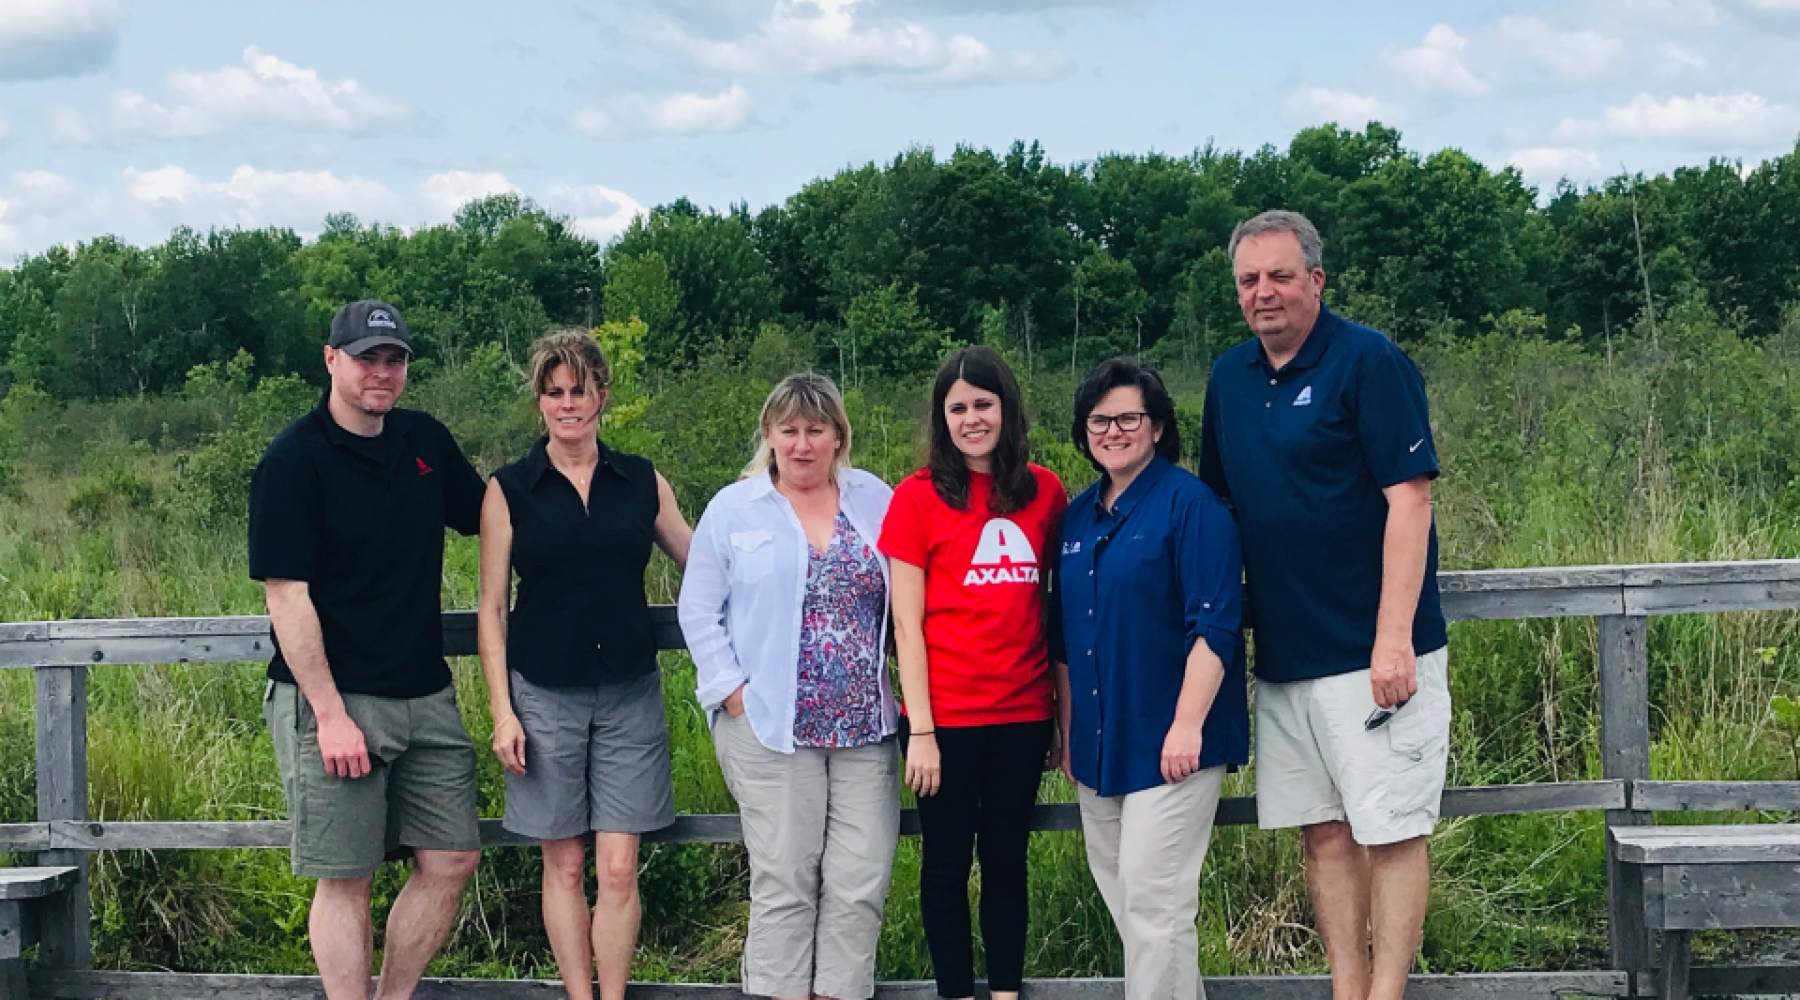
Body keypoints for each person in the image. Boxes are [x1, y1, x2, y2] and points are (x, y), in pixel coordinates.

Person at [1199, 210, 1449, 1000]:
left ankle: (1386, 994)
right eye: (1248, 280)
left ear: (1316, 279)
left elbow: (1410, 501)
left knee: (1392, 831)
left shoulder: (1368, 361)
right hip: (1282, 654)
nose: (1263, 293)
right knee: (1324, 834)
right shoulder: (1228, 380)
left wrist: (1393, 637)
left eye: (1279, 275)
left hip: (1371, 652)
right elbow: (1218, 509)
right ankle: (1346, 989)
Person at [249, 299, 485, 1000]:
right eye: (366, 358)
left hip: (424, 692)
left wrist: (584, 477)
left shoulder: (424, 443)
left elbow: (493, 516)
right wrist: (328, 714)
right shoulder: (294, 461)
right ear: (331, 360)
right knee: (346, 875)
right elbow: (286, 595)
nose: (382, 372)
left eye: (395, 359)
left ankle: (393, 996)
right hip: (336, 698)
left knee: (452, 855)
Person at [476, 330, 693, 1000]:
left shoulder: (640, 481)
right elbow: (490, 610)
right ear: (539, 400)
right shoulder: (510, 489)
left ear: (602, 394)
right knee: (566, 864)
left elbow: (706, 563)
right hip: (543, 694)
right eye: (554, 392)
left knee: (620, 867)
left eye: (580, 390)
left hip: (630, 691)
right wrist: (502, 710)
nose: (568, 404)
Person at [677, 372, 900, 1000]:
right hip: (771, 727)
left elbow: (909, 592)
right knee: (784, 882)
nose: (802, 444)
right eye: (789, 430)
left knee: (860, 879)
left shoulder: (874, 499)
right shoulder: (735, 507)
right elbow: (698, 610)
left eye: (816, 429)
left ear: (838, 436)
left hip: (864, 727)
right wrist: (732, 693)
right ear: (770, 435)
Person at [1054, 357, 1247, 1000]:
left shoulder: (1193, 508)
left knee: (1155, 902)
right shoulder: (1077, 518)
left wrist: (1187, 724)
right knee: (1129, 899)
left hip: (1172, 740)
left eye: (1128, 418)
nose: (1113, 431)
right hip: (1100, 743)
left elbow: (1215, 628)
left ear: (1158, 425)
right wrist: (1068, 728)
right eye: (1099, 420)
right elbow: (1064, 634)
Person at [879, 346, 1068, 1000]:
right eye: (957, 408)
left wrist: (1057, 718)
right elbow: (906, 624)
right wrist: (923, 730)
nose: (971, 418)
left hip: (1022, 713)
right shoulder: (916, 498)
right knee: (946, 865)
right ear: (942, 418)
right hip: (945, 721)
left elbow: (1055, 603)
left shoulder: (1045, 491)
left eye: (983, 404)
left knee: (1008, 862)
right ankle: (957, 991)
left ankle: (1007, 991)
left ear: (1006, 408)